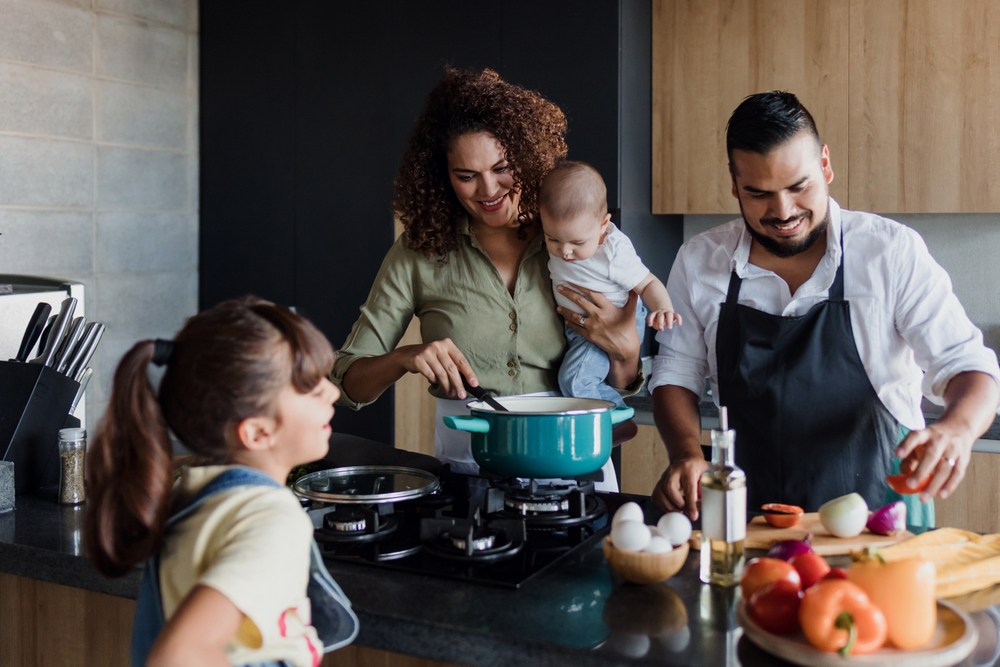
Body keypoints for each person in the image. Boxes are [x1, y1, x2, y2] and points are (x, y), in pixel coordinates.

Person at [650, 91, 1000, 526]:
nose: (783, 211)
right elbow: (676, 371)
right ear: (734, 183)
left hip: (879, 519)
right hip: (751, 520)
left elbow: (969, 364)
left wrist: (958, 429)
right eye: (758, 193)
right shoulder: (700, 261)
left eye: (799, 187)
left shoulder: (888, 252)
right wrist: (685, 454)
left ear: (826, 165)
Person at [331, 69, 644, 489]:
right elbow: (350, 380)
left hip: (575, 459)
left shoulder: (572, 242)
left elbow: (616, 378)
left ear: (527, 156)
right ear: (442, 175)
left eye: (502, 168)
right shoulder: (419, 251)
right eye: (466, 176)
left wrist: (625, 355)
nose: (488, 189)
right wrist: (406, 357)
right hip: (468, 471)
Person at [85, 298, 357, 667]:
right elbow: (177, 657)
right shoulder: (270, 519)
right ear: (258, 432)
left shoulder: (197, 499)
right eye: (309, 387)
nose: (333, 392)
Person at [539, 161, 680, 406]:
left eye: (577, 243)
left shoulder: (613, 253)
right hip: (580, 327)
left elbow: (647, 283)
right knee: (584, 380)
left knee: (574, 381)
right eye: (553, 239)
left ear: (603, 224)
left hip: (615, 323)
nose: (565, 251)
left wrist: (663, 308)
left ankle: (616, 414)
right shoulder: (563, 233)